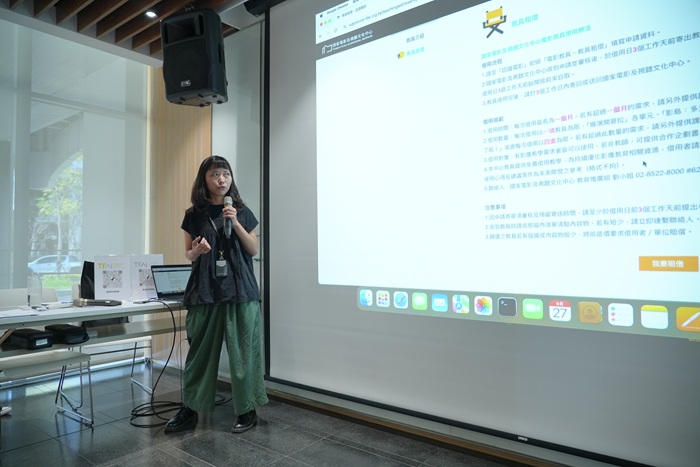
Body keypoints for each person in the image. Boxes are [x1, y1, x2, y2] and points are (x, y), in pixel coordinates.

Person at [165, 155, 268, 434]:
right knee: (199, 355)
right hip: (205, 291)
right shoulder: (193, 215)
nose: (221, 179)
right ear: (204, 180)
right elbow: (188, 254)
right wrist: (197, 251)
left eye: (225, 174)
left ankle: (247, 409)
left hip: (240, 291)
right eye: (214, 174)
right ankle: (190, 409)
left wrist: (235, 223)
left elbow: (253, 249)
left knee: (244, 354)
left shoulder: (241, 211)